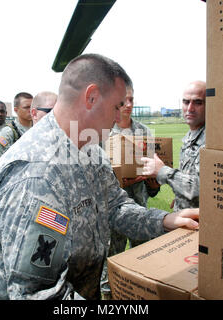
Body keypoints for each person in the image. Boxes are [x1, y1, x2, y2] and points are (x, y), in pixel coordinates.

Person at [0, 53, 199, 300]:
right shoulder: (37, 174)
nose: (118, 117)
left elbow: (114, 206)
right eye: (116, 106)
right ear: (91, 97)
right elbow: (35, 294)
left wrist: (165, 220)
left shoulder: (90, 148)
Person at [99, 84, 160, 299]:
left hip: (140, 211)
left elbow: (154, 186)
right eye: (124, 100)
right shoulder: (102, 133)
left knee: (142, 265)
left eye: (132, 100)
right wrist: (121, 181)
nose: (129, 105)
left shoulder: (144, 132)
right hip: (113, 213)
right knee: (110, 267)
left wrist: (153, 180)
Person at [141, 80, 206, 211]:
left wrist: (163, 171)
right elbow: (190, 179)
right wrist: (180, 198)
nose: (190, 108)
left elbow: (206, 189)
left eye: (198, 102)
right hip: (186, 216)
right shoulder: (190, 137)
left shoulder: (212, 140)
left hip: (202, 222)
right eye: (186, 102)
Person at [0, 92, 33, 163]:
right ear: (16, 110)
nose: (31, 110)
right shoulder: (8, 132)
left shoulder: (37, 129)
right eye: (26, 107)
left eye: (32, 107)